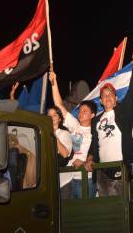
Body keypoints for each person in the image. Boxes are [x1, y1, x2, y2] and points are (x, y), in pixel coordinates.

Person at [85, 48, 133, 197]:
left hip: (120, 167)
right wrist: (90, 158)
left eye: (111, 94)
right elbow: (94, 143)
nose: (108, 97)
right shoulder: (96, 120)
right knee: (107, 209)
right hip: (102, 170)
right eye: (104, 95)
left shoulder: (123, 112)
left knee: (121, 210)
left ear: (116, 99)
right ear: (101, 101)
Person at [49, 70, 97, 199]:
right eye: (80, 111)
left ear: (93, 115)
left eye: (85, 111)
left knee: (86, 212)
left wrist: (86, 162)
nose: (80, 113)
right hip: (71, 176)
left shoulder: (95, 131)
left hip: (87, 178)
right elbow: (59, 104)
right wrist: (54, 83)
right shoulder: (75, 125)